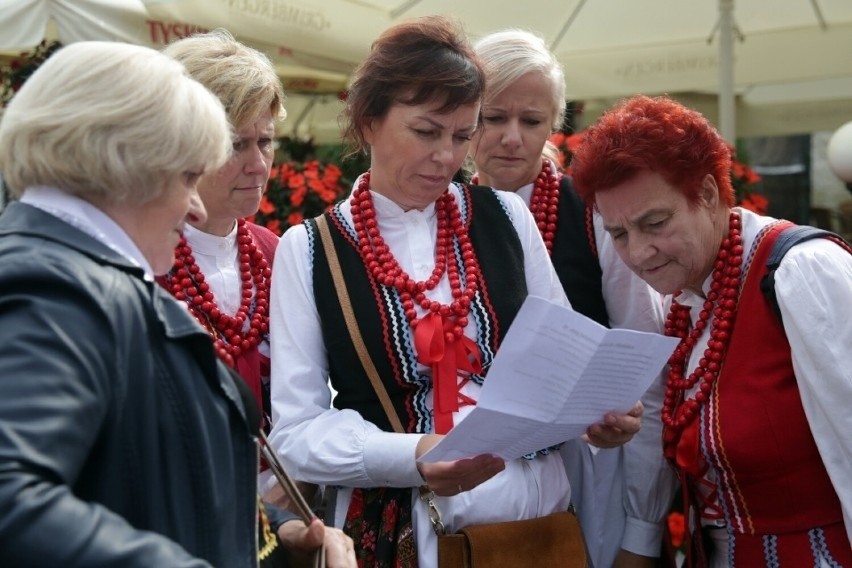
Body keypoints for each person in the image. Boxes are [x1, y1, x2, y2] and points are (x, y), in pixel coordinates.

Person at [268, 15, 643, 567]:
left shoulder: (507, 217)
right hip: (403, 536)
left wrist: (599, 414)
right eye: (426, 131)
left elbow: (566, 361)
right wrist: (413, 454)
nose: (446, 155)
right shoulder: (307, 250)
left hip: (539, 532)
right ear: (369, 120)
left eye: (462, 136)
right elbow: (296, 434)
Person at [0, 40, 255, 566]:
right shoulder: (56, 284)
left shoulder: (71, 275)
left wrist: (275, 530)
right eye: (188, 177)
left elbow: (137, 482)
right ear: (127, 164)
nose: (196, 209)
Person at [571, 95, 852, 567]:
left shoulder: (803, 272)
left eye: (654, 223)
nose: (639, 253)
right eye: (617, 234)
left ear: (705, 194)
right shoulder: (684, 301)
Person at [469, 29, 670, 568]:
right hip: (472, 480)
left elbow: (643, 369)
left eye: (531, 121)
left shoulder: (596, 212)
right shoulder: (440, 213)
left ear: (554, 125)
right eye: (493, 117)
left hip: (589, 474)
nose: (512, 137)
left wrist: (642, 533)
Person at [159, 29, 356, 567]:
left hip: (290, 524)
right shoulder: (143, 258)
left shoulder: (279, 252)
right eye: (235, 144)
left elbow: (317, 400)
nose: (258, 164)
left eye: (265, 141)